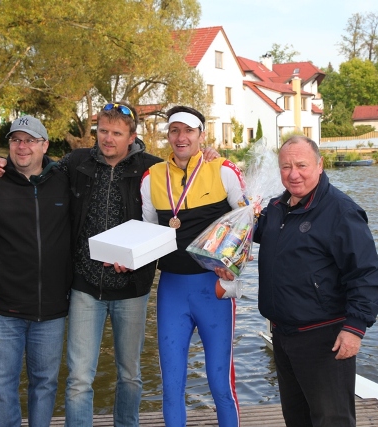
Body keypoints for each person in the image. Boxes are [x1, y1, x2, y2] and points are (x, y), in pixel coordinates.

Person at [0, 102, 163, 427]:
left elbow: (170, 212)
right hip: (85, 288)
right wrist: (5, 162)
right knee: (80, 377)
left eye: (116, 133)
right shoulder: (77, 162)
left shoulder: (153, 168)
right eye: (103, 131)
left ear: (132, 137)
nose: (107, 138)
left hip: (132, 289)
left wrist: (137, 257)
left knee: (130, 374)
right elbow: (38, 168)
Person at [253, 135, 378, 427]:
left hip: (325, 337)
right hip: (283, 334)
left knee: (331, 420)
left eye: (302, 165)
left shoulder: (341, 211)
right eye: (286, 166)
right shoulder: (275, 208)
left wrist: (355, 328)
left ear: (320, 165)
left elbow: (365, 273)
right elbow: (248, 233)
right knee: (296, 418)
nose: (293, 174)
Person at [0, 115, 72, 427]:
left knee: (45, 384)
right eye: (16, 140)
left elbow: (105, 159)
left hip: (51, 309)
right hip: (1, 309)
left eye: (30, 140)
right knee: (0, 387)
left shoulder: (65, 183)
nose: (22, 146)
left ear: (44, 145)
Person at [140, 105, 245, 427]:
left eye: (188, 130)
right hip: (172, 289)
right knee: (171, 387)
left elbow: (247, 225)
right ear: (168, 135)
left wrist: (233, 266)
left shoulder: (222, 169)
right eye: (174, 131)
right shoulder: (152, 177)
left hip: (212, 289)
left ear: (202, 134)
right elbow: (148, 233)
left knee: (220, 384)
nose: (181, 137)